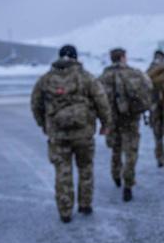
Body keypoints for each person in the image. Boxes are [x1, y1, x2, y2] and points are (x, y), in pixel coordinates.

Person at [31, 44, 111, 223]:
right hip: (83, 134)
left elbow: (35, 104)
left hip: (58, 136)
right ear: (76, 57)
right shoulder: (87, 78)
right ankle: (85, 204)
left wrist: (44, 125)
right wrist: (106, 124)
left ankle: (65, 211)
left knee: (62, 172)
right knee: (85, 168)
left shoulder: (46, 80)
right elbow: (102, 102)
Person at [99, 48, 152, 202]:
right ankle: (128, 183)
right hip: (131, 118)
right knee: (131, 152)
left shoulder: (104, 76)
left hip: (112, 119)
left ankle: (116, 175)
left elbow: (97, 98)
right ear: (122, 57)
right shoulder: (135, 73)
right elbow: (148, 87)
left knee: (116, 149)